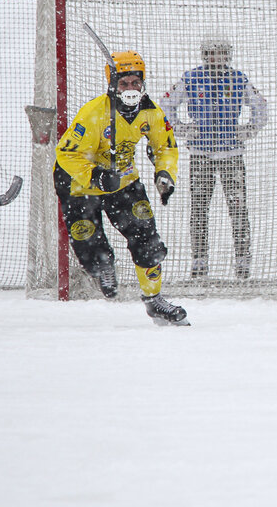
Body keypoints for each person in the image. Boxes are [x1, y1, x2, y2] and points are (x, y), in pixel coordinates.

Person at [53, 51, 188, 325]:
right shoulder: (93, 113)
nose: (130, 89)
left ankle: (155, 300)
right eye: (123, 83)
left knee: (146, 238)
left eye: (134, 83)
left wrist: (165, 173)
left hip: (123, 179)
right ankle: (102, 266)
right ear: (112, 84)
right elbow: (66, 154)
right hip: (79, 181)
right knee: (88, 238)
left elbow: (165, 147)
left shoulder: (151, 112)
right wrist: (96, 176)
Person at [159, 39, 268, 280]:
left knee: (238, 208)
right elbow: (166, 104)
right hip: (201, 154)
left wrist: (248, 130)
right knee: (199, 209)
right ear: (203, 55)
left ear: (228, 56)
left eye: (220, 54)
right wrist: (180, 128)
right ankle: (199, 260)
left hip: (232, 155)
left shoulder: (239, 79)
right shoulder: (190, 78)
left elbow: (260, 105)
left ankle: (242, 260)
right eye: (209, 54)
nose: (214, 59)